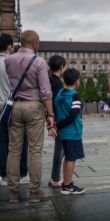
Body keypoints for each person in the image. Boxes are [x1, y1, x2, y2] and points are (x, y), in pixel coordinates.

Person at [6, 30, 55, 203]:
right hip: (34, 107)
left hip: (15, 106)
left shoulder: (8, 60)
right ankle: (34, 193)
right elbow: (45, 91)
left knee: (14, 150)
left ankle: (13, 193)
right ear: (35, 42)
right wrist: (50, 114)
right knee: (35, 151)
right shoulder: (39, 61)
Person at [0, 33, 29, 187]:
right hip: (12, 107)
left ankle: (4, 173)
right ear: (10, 46)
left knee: (2, 141)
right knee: (21, 140)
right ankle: (22, 171)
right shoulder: (13, 63)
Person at [54, 68, 85, 195]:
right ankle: (67, 186)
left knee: (68, 158)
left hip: (63, 134)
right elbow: (73, 116)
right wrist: (59, 125)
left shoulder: (60, 93)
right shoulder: (75, 96)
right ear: (77, 81)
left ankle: (67, 184)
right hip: (72, 132)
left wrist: (57, 125)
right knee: (71, 159)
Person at [48, 55, 66, 188]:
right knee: (60, 149)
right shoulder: (58, 83)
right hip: (56, 118)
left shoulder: (48, 79)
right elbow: (57, 102)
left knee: (59, 148)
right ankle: (55, 179)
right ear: (61, 67)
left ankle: (54, 177)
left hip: (50, 116)